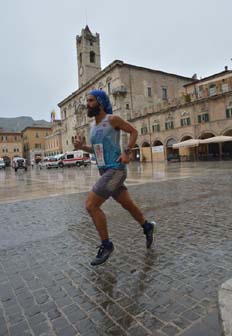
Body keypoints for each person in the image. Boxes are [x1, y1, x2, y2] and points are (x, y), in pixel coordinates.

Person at [74, 90, 157, 266]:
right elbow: (98, 150)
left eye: (90, 101)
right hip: (105, 171)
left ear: (100, 102)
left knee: (91, 205)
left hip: (116, 171)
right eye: (87, 101)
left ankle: (107, 245)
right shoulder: (93, 127)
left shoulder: (112, 120)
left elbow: (133, 132)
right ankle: (147, 226)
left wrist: (127, 152)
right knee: (127, 204)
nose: (87, 104)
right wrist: (84, 148)